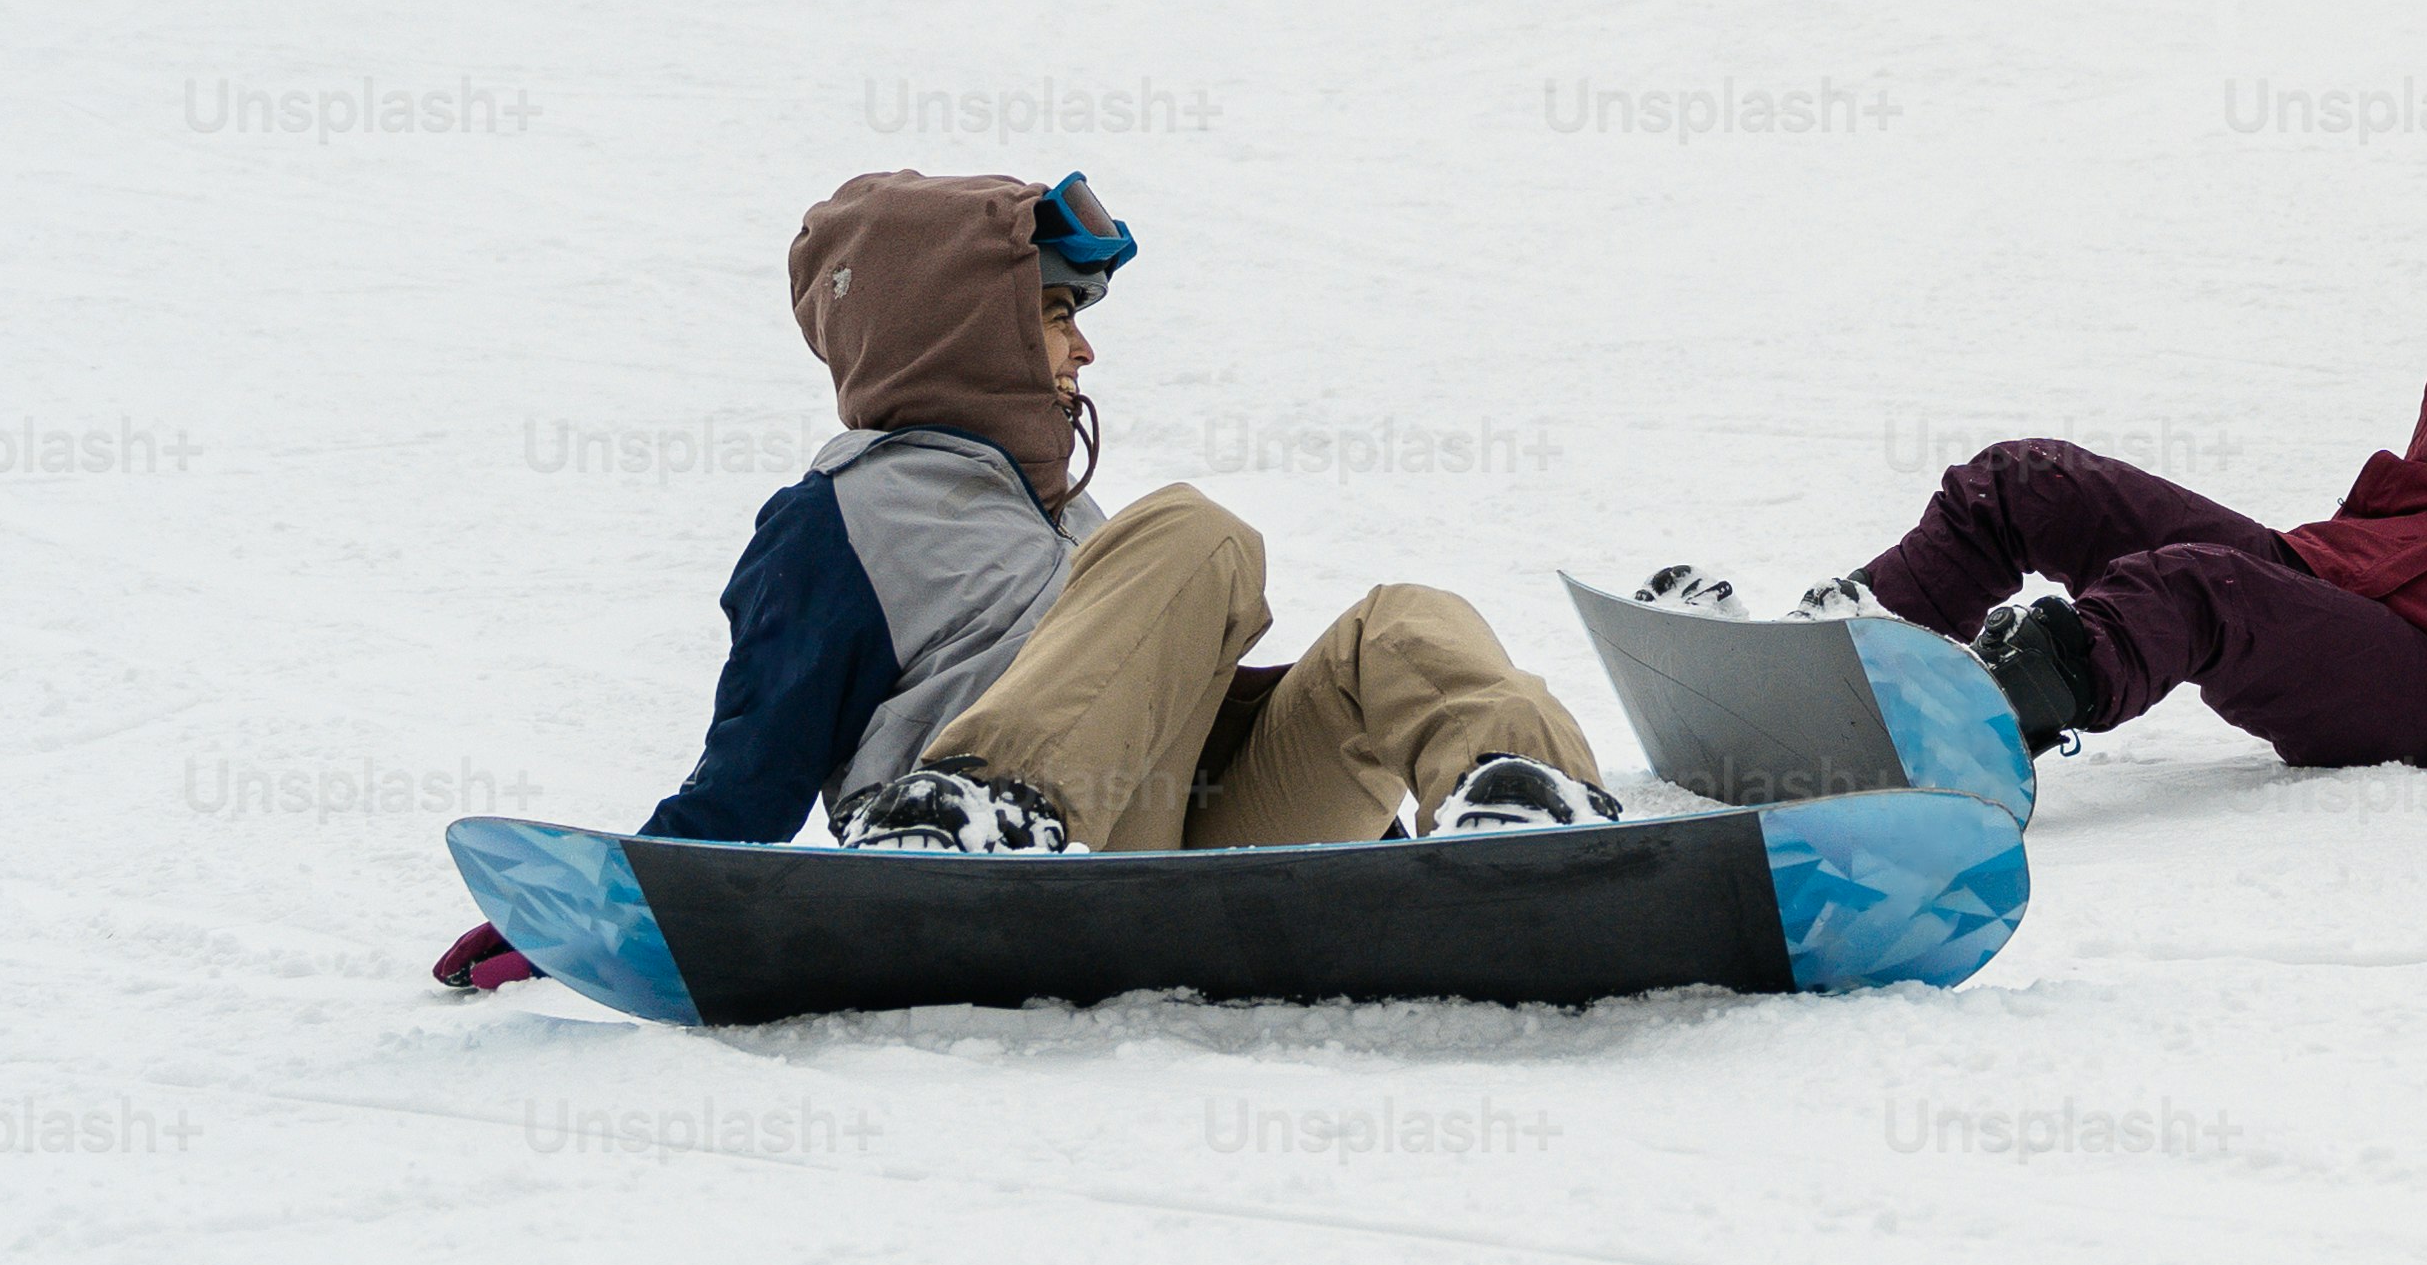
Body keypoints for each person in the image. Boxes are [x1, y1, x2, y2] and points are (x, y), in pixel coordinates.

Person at [430, 170, 1613, 990]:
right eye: (1054, 312)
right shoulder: (836, 516)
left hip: (1164, 846)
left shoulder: (1062, 514)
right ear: (960, 328)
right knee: (1200, 529)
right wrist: (598, 916)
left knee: (1398, 623)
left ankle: (1525, 808)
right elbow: (751, 769)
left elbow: (1137, 693)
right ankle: (973, 809)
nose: (1083, 346)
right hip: (966, 885)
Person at [1659, 176, 2427, 774]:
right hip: (2330, 581)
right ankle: (1840, 657)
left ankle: (1970, 723)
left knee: (2196, 585)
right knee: (2028, 478)